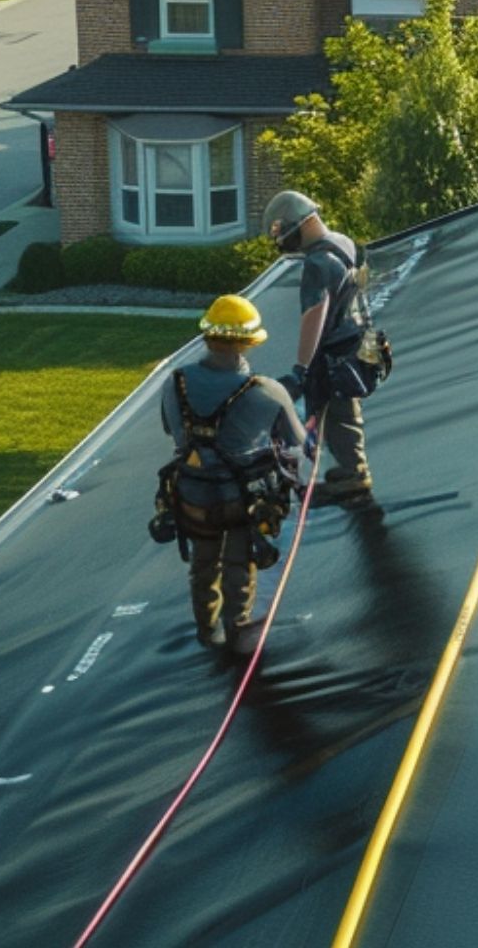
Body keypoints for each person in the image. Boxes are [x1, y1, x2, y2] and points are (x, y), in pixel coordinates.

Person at [158, 295, 307, 655]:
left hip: (192, 494)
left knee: (203, 560)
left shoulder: (174, 383)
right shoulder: (267, 391)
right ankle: (237, 626)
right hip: (242, 499)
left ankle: (207, 630)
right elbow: (298, 442)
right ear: (248, 342)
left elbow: (171, 430)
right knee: (239, 561)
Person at [262, 190, 377, 506]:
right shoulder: (342, 243)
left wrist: (301, 369)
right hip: (355, 343)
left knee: (337, 413)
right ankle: (351, 468)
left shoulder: (317, 263)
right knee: (344, 411)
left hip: (335, 353)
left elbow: (315, 315)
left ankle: (355, 476)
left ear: (303, 224)